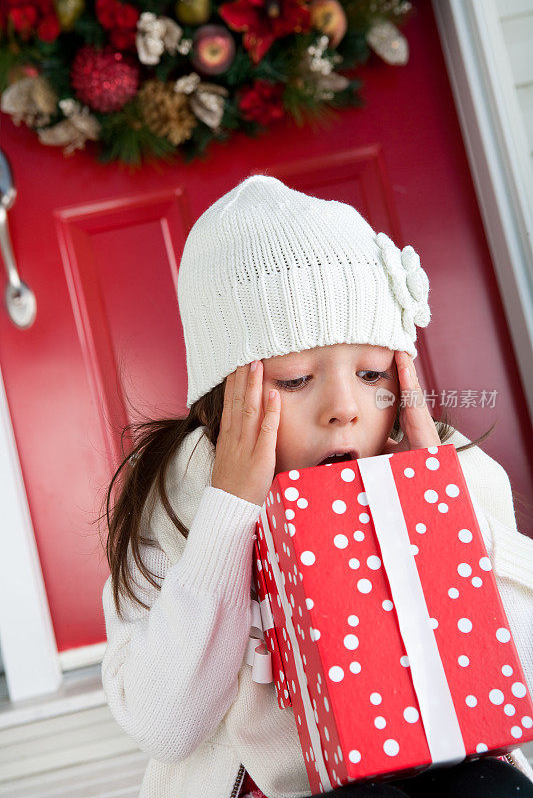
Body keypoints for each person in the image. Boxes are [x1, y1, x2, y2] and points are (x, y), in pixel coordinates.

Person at [100, 175, 533, 798]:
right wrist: (228, 515)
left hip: (447, 766)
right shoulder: (176, 501)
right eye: (297, 379)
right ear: (221, 403)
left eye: (371, 372)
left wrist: (435, 510)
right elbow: (164, 725)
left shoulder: (454, 473)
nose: (344, 407)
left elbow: (517, 674)